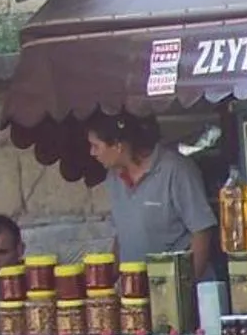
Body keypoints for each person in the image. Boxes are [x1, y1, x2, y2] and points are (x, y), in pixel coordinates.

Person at [86, 112, 218, 274]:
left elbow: (202, 232)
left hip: (174, 281)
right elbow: (122, 236)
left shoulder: (176, 169)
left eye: (96, 146)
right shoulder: (113, 178)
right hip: (135, 283)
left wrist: (187, 283)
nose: (92, 153)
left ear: (117, 146)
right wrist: (114, 277)